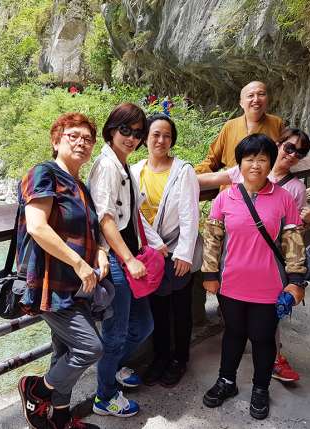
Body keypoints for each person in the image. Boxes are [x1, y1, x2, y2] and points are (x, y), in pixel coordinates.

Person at [197, 128, 310, 383]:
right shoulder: (224, 199)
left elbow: (293, 244)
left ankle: (260, 388)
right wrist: (209, 273)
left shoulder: (285, 199)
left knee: (263, 337)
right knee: (233, 334)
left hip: (269, 285)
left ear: (270, 162)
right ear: (240, 163)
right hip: (231, 282)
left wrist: (296, 281)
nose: (255, 165)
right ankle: (226, 382)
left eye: (262, 159)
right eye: (249, 159)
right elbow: (212, 239)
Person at [16, 113, 108, 429]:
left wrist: (101, 252)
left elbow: (91, 231)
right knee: (89, 347)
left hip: (78, 285)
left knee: (65, 349)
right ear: (56, 141)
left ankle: (61, 418)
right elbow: (37, 227)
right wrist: (79, 263)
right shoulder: (43, 173)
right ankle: (36, 389)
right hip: (49, 282)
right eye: (73, 136)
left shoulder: (81, 186)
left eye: (88, 139)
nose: (82, 142)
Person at [87, 103, 166, 418]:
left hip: (131, 260)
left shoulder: (122, 165)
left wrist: (155, 244)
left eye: (137, 133)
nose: (131, 138)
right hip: (119, 262)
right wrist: (129, 259)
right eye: (125, 130)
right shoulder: (107, 166)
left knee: (143, 325)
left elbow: (131, 216)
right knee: (116, 333)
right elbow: (105, 219)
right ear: (111, 130)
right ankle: (104, 397)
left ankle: (113, 367)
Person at [131, 113, 200, 388]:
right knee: (157, 309)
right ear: (145, 138)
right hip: (150, 254)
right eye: (155, 134)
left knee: (180, 309)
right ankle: (160, 358)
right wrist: (152, 244)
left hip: (176, 251)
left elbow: (190, 215)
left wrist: (184, 253)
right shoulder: (135, 171)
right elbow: (134, 214)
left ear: (172, 140)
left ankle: (180, 359)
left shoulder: (183, 170)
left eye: (167, 136)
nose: (161, 140)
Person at [195, 81, 284, 174]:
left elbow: (285, 156)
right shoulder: (230, 126)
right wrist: (195, 173)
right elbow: (212, 159)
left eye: (261, 94)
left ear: (267, 99)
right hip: (232, 181)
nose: (256, 99)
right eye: (250, 95)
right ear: (241, 103)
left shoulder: (276, 123)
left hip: (265, 180)